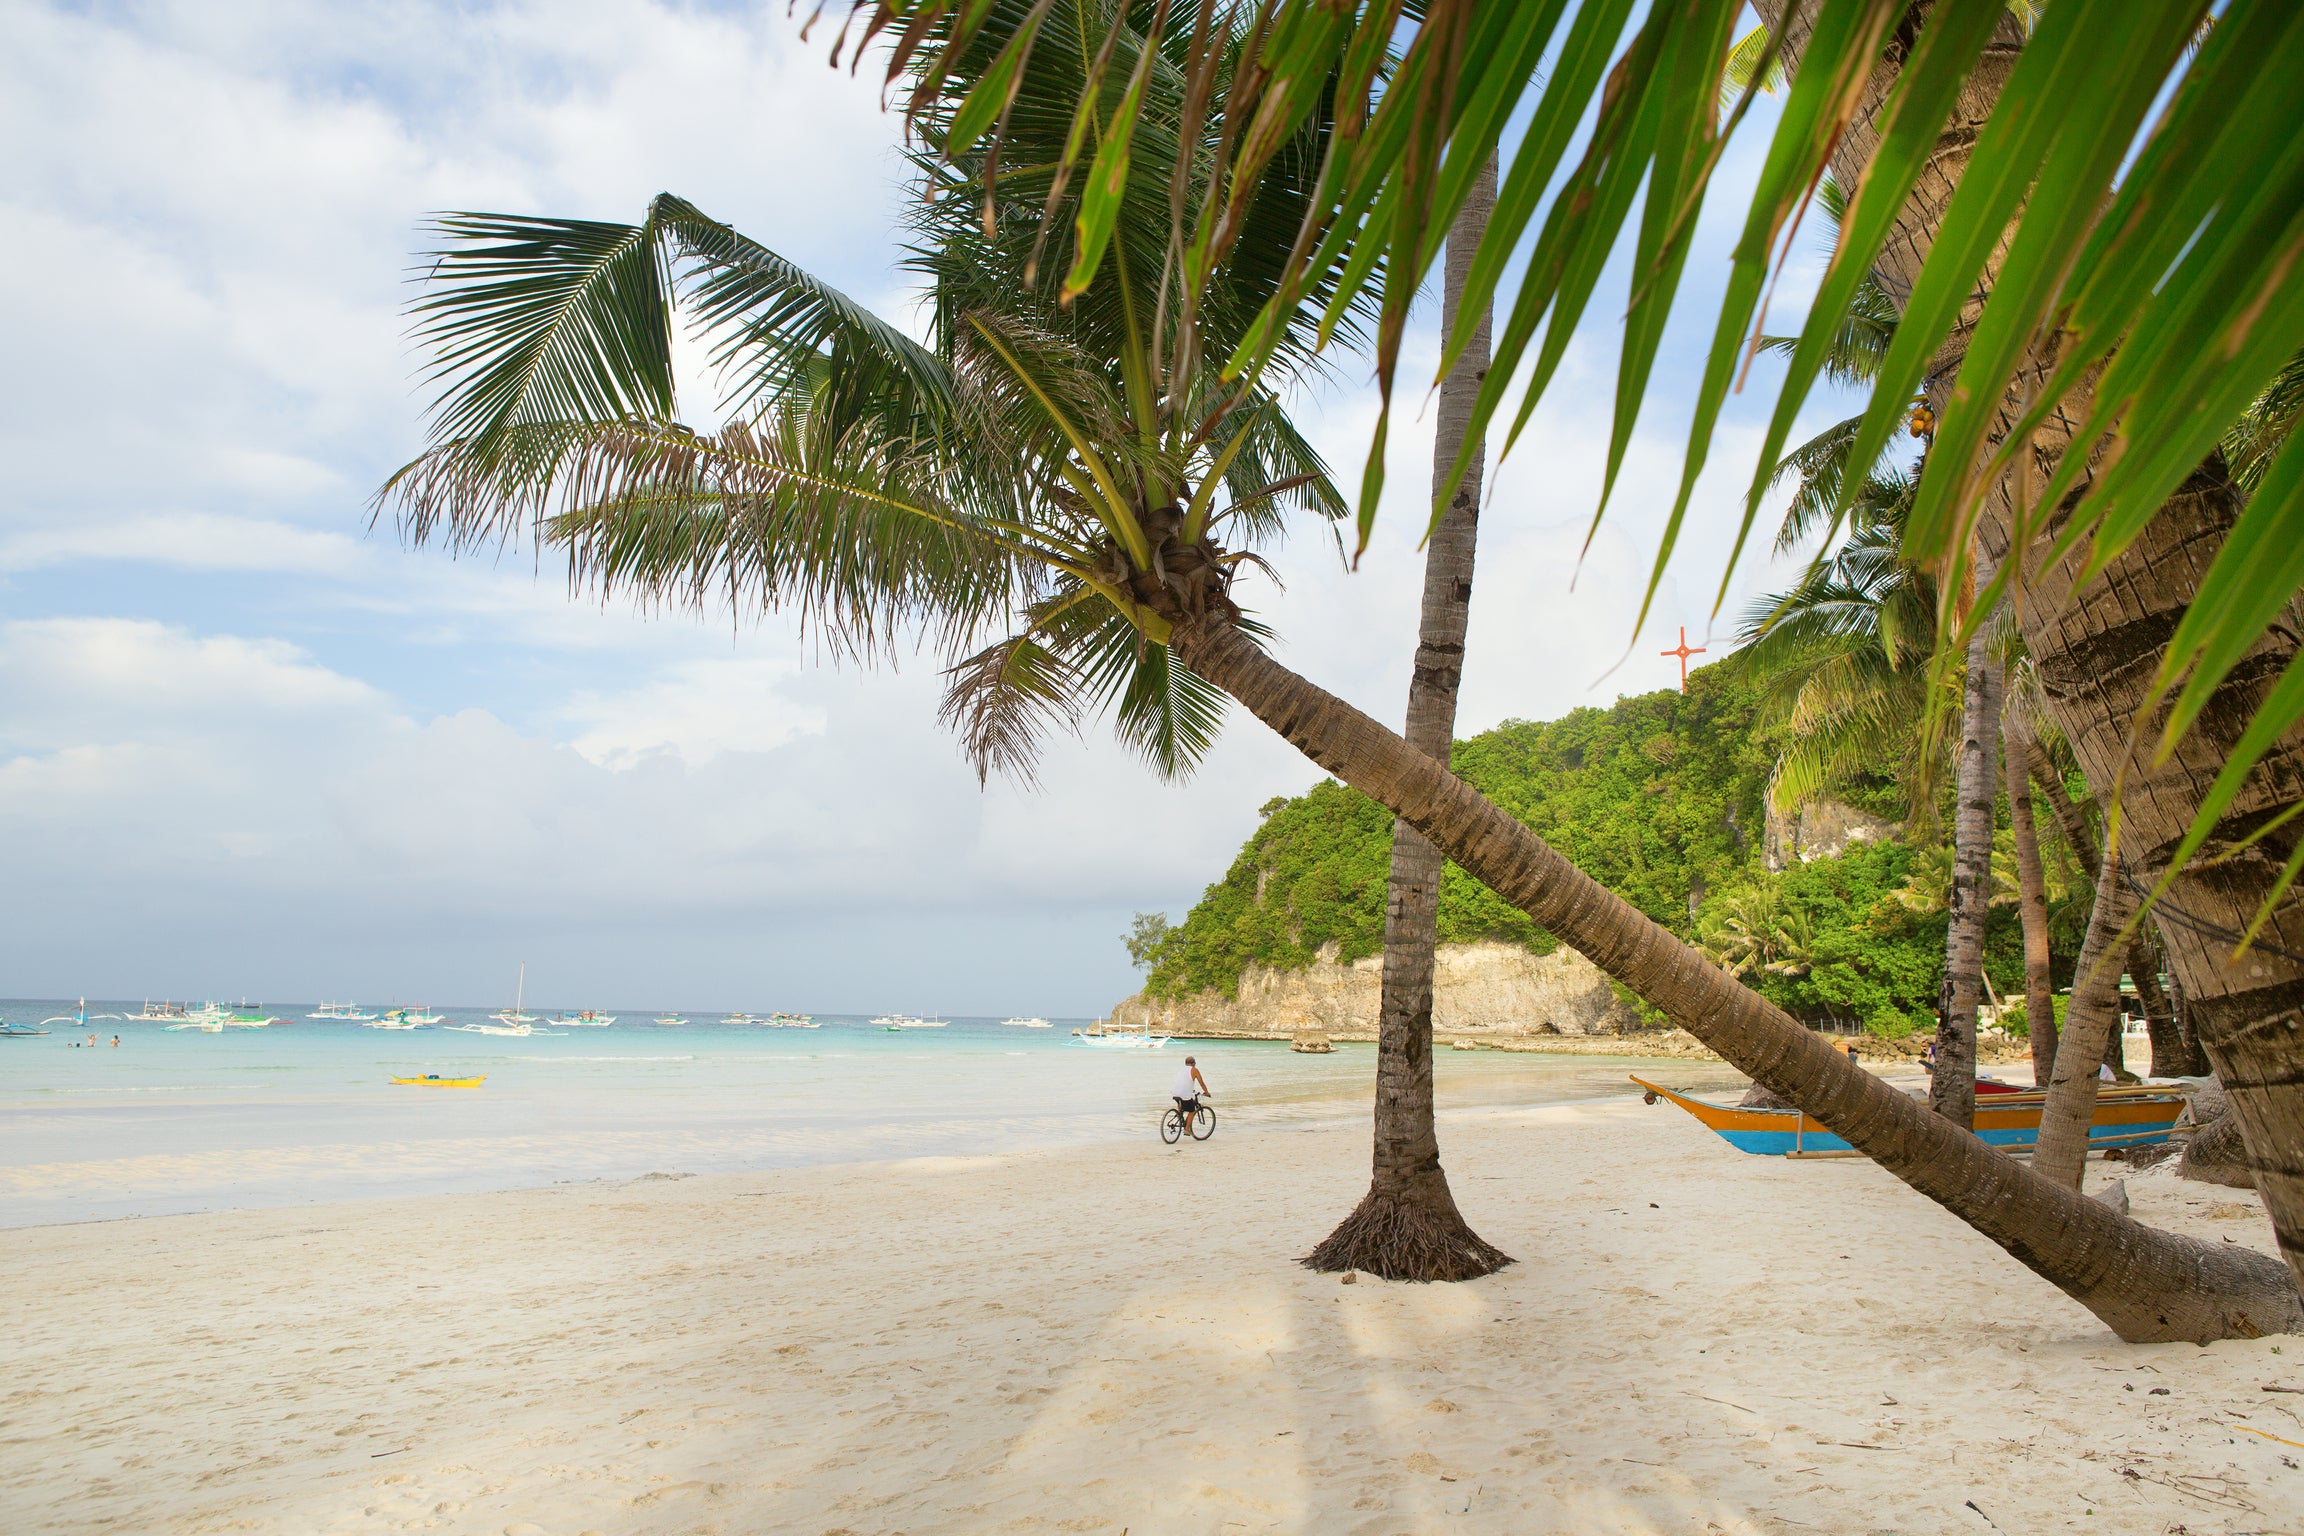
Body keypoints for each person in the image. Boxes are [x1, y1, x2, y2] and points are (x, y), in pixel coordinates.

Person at [1172, 1055, 1210, 1132]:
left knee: (1181, 1106)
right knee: (1192, 1110)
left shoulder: (1181, 1070)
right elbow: (1201, 1083)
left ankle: (1180, 1119)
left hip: (1175, 1092)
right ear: (1193, 1063)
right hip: (1184, 1094)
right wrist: (1206, 1092)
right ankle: (1186, 1129)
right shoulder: (1194, 1070)